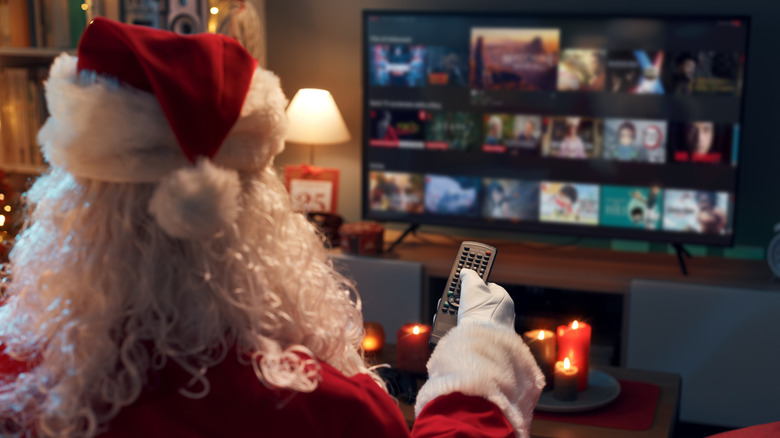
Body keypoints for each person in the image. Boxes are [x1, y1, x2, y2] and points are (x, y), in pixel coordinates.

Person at [0, 18, 544, 438]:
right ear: (257, 215)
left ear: (71, 204)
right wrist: (476, 364)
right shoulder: (328, 408)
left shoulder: (15, 383)